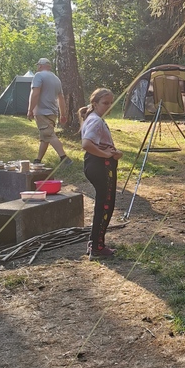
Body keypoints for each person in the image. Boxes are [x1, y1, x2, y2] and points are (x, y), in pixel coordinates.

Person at [78, 89, 122, 259]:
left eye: (111, 103)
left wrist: (113, 152)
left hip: (97, 164)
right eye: (105, 103)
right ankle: (97, 247)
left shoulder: (93, 118)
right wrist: (106, 155)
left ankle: (95, 242)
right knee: (105, 206)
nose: (108, 106)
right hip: (101, 166)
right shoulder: (96, 120)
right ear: (95, 104)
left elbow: (98, 143)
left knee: (102, 204)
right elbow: (86, 144)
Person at [27, 57, 70, 165]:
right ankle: (38, 160)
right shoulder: (56, 79)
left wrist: (30, 110)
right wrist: (63, 114)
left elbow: (35, 94)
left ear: (41, 66)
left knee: (49, 135)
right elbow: (61, 98)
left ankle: (64, 158)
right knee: (45, 137)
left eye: (38, 65)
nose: (37, 67)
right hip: (53, 112)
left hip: (42, 112)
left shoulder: (38, 76)